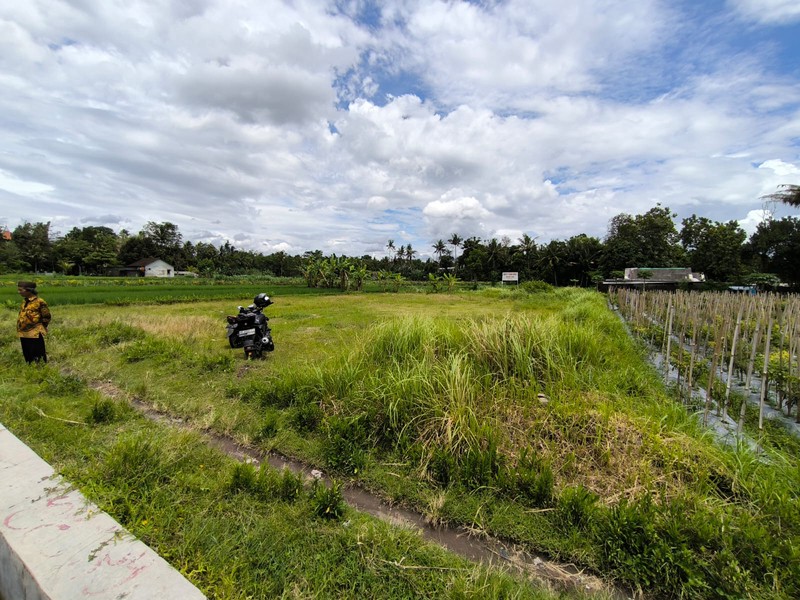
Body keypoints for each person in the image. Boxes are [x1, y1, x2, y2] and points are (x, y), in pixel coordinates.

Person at [17, 281, 51, 364]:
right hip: (23, 332)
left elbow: (46, 316)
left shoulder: (39, 302)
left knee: (37, 353)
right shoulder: (24, 302)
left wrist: (40, 327)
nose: (19, 292)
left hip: (35, 332)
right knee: (27, 353)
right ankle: (30, 369)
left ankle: (41, 369)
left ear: (28, 290)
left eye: (21, 290)